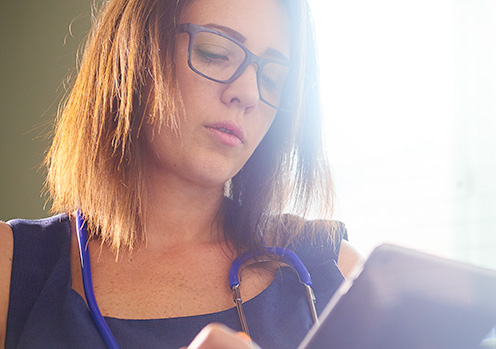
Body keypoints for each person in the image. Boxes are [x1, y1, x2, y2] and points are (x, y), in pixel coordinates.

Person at [0, 0, 361, 347]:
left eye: (274, 79)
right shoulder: (10, 265)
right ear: (134, 53)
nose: (249, 93)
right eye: (216, 53)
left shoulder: (339, 272)